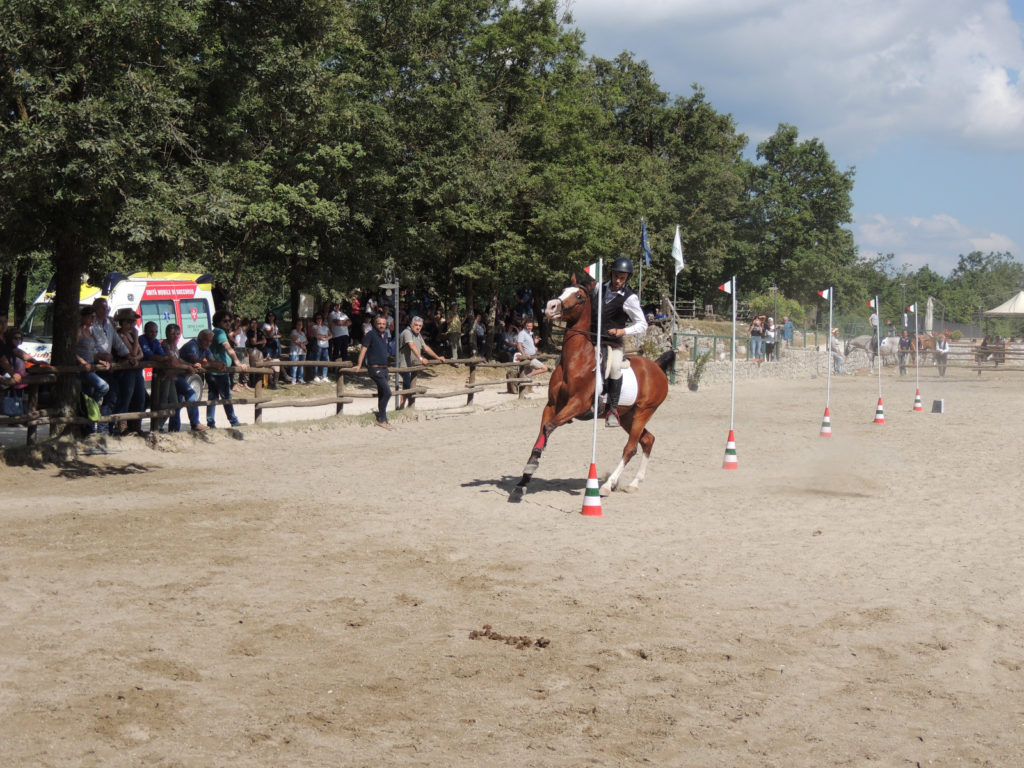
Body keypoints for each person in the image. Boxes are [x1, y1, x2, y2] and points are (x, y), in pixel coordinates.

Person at [592, 257, 648, 427]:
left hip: (612, 343)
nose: (617, 281)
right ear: (611, 273)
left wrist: (623, 331)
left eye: (622, 278)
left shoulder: (630, 298)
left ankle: (613, 410)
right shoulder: (598, 288)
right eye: (616, 276)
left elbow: (642, 324)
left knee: (615, 367)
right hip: (591, 337)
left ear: (627, 278)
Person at [161, 323, 206, 432]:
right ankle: (194, 422)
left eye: (177, 334)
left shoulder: (174, 346)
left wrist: (191, 365)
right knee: (190, 394)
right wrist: (188, 367)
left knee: (175, 403)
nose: (175, 336)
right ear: (167, 334)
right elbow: (174, 362)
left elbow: (178, 360)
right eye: (172, 334)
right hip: (168, 377)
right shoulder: (166, 345)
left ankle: (173, 428)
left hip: (174, 376)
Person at [75, 306, 112, 434]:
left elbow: (90, 352)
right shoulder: (79, 331)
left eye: (94, 317)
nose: (93, 319)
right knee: (104, 386)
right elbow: (71, 351)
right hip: (83, 369)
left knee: (88, 395)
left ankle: (89, 430)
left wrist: (100, 361)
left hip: (91, 367)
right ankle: (91, 405)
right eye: (91, 317)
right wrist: (83, 362)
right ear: (84, 317)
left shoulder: (90, 332)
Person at [207, 311, 248, 428]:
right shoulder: (220, 332)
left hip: (213, 370)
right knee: (226, 398)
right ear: (218, 322)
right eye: (225, 321)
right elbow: (228, 348)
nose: (228, 323)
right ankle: (234, 422)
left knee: (213, 398)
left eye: (229, 320)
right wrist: (238, 362)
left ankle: (211, 423)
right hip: (219, 372)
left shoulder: (215, 332)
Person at [353, 314, 394, 430]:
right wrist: (359, 364)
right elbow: (363, 350)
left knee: (382, 393)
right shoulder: (370, 334)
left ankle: (383, 419)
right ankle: (381, 419)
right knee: (388, 393)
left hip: (384, 368)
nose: (381, 325)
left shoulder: (385, 335)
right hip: (375, 368)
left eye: (383, 324)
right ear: (375, 324)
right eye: (379, 323)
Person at [397, 315, 445, 409]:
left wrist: (437, 357)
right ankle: (404, 407)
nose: (418, 327)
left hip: (412, 366)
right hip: (404, 365)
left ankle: (406, 407)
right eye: (416, 325)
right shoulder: (407, 332)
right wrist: (421, 358)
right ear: (411, 325)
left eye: (420, 326)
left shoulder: (418, 335)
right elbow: (411, 345)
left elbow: (425, 347)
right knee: (408, 385)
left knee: (408, 386)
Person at [309, 312, 331, 382]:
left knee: (326, 361)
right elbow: (316, 336)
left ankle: (324, 376)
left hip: (325, 346)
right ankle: (315, 375)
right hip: (318, 346)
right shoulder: (314, 327)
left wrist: (325, 337)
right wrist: (325, 336)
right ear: (315, 319)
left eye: (320, 318)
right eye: (317, 318)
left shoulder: (325, 327)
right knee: (317, 360)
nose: (319, 319)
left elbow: (331, 335)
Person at [289, 319, 308, 384]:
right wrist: (303, 347)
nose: (300, 326)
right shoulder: (293, 332)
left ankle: (300, 379)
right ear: (296, 325)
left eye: (301, 324)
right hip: (295, 352)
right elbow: (296, 341)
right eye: (298, 324)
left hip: (302, 352)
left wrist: (302, 344)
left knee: (301, 366)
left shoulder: (303, 333)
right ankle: (293, 379)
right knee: (294, 366)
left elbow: (307, 341)